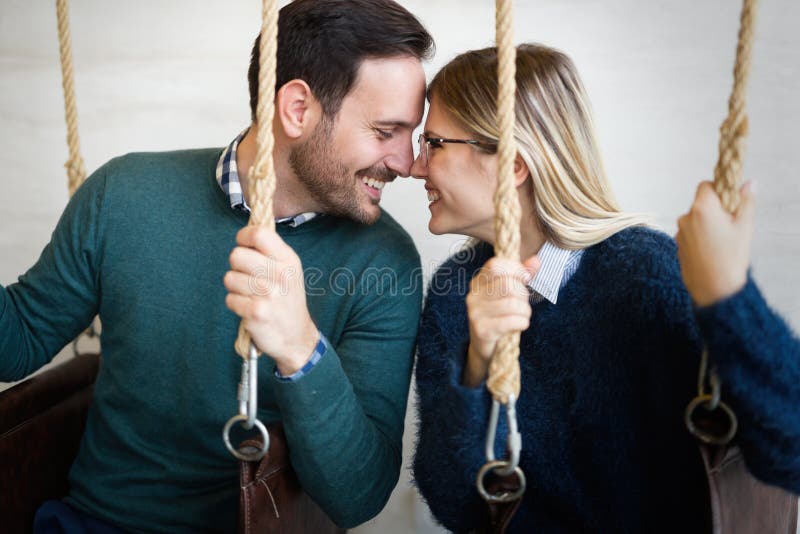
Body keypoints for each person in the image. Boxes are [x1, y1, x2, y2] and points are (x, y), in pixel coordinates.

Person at [0, 0, 433, 531]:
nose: (406, 163)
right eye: (386, 131)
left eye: (411, 134)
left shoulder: (386, 262)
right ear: (298, 109)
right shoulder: (124, 194)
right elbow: (17, 342)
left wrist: (301, 349)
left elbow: (358, 496)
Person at [410, 43, 800, 532]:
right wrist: (476, 364)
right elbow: (453, 503)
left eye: (434, 144)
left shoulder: (649, 276)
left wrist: (729, 297)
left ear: (512, 163)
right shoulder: (455, 293)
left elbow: (790, 447)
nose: (414, 166)